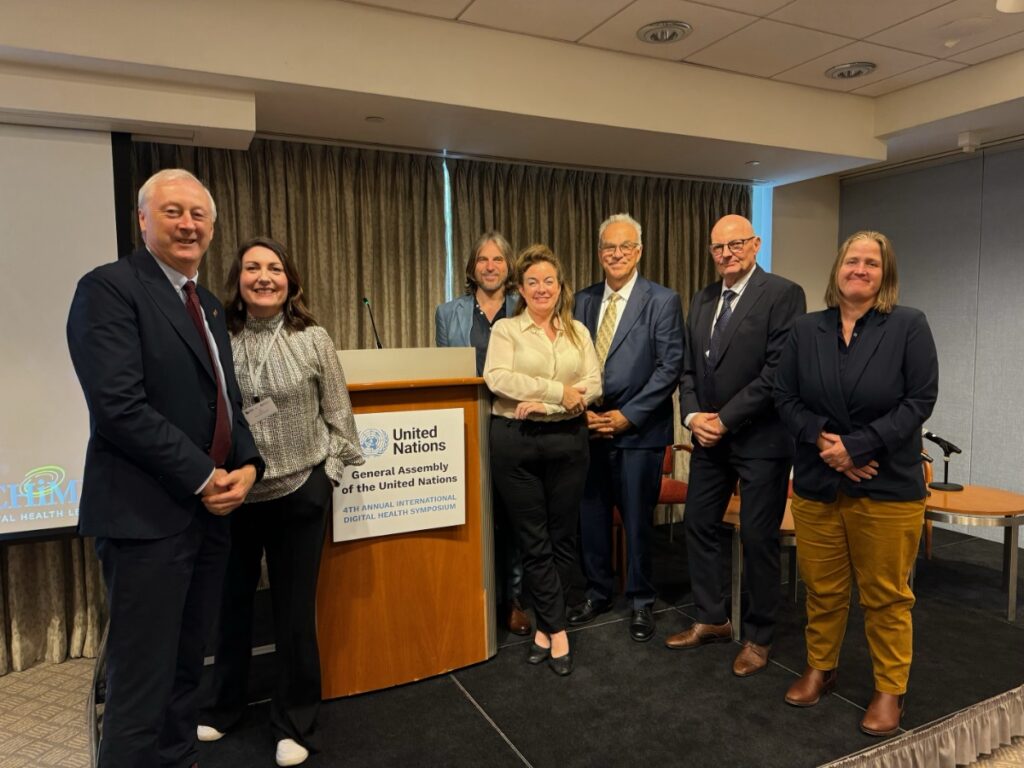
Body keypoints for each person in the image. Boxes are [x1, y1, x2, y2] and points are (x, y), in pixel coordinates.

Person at [66, 168, 264, 768]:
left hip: (207, 522)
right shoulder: (108, 289)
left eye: (198, 214)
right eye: (173, 211)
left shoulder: (204, 302)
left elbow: (225, 399)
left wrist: (248, 465)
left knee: (185, 671)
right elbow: (119, 408)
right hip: (145, 520)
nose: (188, 224)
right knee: (140, 685)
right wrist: (206, 478)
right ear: (143, 219)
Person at [197, 237, 364, 766]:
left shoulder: (313, 339)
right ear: (237, 280)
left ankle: (294, 719)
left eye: (274, 268)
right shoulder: (215, 335)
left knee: (293, 613)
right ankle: (224, 707)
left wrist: (325, 478)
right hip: (234, 497)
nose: (264, 276)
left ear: (290, 281)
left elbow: (342, 421)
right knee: (231, 608)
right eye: (252, 268)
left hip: (299, 494)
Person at [774, 231, 938, 736]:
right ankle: (821, 667)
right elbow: (784, 396)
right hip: (820, 482)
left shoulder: (908, 325)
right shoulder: (806, 330)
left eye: (871, 262)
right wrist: (828, 446)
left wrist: (859, 446)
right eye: (852, 260)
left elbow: (919, 401)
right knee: (821, 588)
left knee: (886, 595)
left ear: (884, 273)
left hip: (886, 486)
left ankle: (890, 689)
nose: (860, 269)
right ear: (837, 269)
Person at [666, 214, 805, 677]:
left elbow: (777, 372)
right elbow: (688, 368)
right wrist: (692, 417)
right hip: (709, 438)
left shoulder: (783, 294)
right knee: (699, 523)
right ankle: (712, 618)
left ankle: (760, 636)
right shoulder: (705, 297)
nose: (726, 254)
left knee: (758, 537)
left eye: (735, 244)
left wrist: (724, 419)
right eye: (717, 247)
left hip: (761, 440)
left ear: (755, 244)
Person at [484, 245, 601, 676]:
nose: (541, 288)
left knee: (562, 536)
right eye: (531, 281)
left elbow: (593, 384)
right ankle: (558, 630)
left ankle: (542, 628)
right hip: (517, 441)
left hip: (569, 439)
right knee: (533, 538)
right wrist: (558, 393)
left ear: (560, 285)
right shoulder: (507, 331)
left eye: (548, 280)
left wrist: (547, 404)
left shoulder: (577, 332)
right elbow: (497, 379)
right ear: (519, 288)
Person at [568, 213, 684, 642]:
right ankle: (597, 592)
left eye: (625, 247)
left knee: (637, 520)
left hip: (639, 432)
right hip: (590, 427)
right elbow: (569, 360)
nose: (616, 255)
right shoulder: (581, 300)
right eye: (608, 248)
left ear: (638, 252)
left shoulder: (662, 300)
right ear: (599, 254)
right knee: (591, 516)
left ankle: (639, 600)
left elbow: (669, 366)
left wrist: (628, 415)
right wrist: (584, 412)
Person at [435, 232, 529, 636]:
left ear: (509, 267)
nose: (490, 266)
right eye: (482, 260)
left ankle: (515, 598)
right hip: (467, 425)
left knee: (513, 514)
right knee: (472, 514)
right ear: (472, 267)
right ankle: (474, 595)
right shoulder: (447, 313)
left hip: (515, 424)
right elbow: (443, 374)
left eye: (498, 260)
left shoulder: (525, 310)